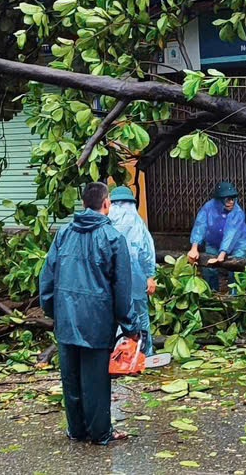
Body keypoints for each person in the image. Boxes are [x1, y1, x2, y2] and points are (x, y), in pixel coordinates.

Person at [39, 182, 138, 445]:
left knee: (71, 379)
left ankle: (77, 430)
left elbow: (46, 277)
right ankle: (100, 433)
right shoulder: (114, 239)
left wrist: (53, 310)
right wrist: (130, 326)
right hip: (97, 321)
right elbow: (122, 288)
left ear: (84, 203)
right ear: (106, 204)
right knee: (95, 381)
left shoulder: (64, 234)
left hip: (67, 319)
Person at [108, 186, 156, 356]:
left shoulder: (106, 226)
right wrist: (150, 277)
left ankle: (116, 356)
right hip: (137, 280)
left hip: (112, 282)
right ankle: (143, 355)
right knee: (140, 316)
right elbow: (147, 253)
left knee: (114, 317)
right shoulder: (138, 224)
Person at [186, 181, 246, 291]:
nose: (231, 202)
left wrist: (221, 255)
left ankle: (236, 296)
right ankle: (212, 293)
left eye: (233, 198)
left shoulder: (237, 212)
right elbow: (200, 226)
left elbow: (231, 234)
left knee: (236, 269)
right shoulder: (208, 208)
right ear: (219, 200)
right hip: (213, 242)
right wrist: (194, 248)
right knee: (208, 268)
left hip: (238, 243)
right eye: (227, 199)